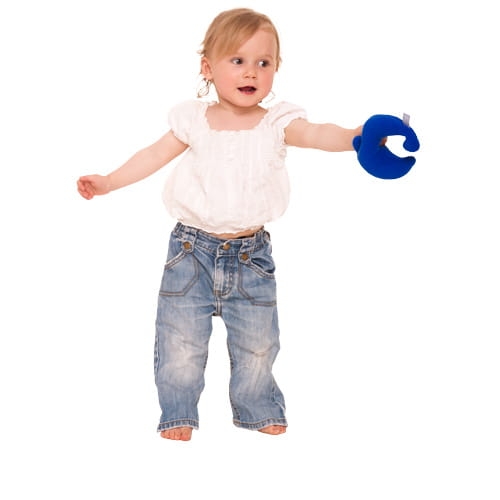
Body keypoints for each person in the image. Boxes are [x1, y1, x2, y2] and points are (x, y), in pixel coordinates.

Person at [77, 8, 363, 441]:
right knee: (179, 342)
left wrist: (354, 137)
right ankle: (178, 412)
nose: (251, 72)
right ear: (208, 68)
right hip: (190, 252)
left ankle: (256, 407)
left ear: (276, 68)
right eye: (237, 60)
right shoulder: (194, 119)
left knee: (258, 344)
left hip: (251, 256)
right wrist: (110, 181)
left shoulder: (278, 122)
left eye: (263, 62)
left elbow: (319, 134)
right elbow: (152, 155)